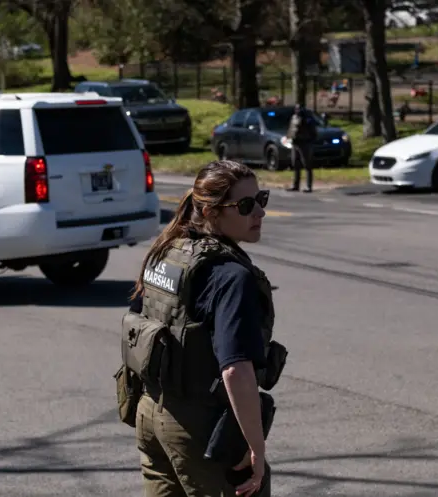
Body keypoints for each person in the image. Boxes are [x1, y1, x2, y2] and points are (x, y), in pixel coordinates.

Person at [124, 160, 284, 497]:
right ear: (211, 213)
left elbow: (139, 323)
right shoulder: (230, 276)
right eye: (245, 205)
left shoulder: (167, 250)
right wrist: (255, 447)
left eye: (261, 199)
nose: (260, 213)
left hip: (150, 413)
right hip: (199, 426)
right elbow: (235, 370)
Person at [286, 104, 317, 193]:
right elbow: (291, 129)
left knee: (307, 165)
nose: (297, 110)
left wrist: (310, 140)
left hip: (304, 143)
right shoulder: (294, 117)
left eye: (299, 109)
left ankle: (308, 186)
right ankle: (296, 185)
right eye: (296, 109)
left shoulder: (307, 118)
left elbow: (313, 131)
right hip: (295, 143)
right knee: (295, 164)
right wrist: (288, 137)